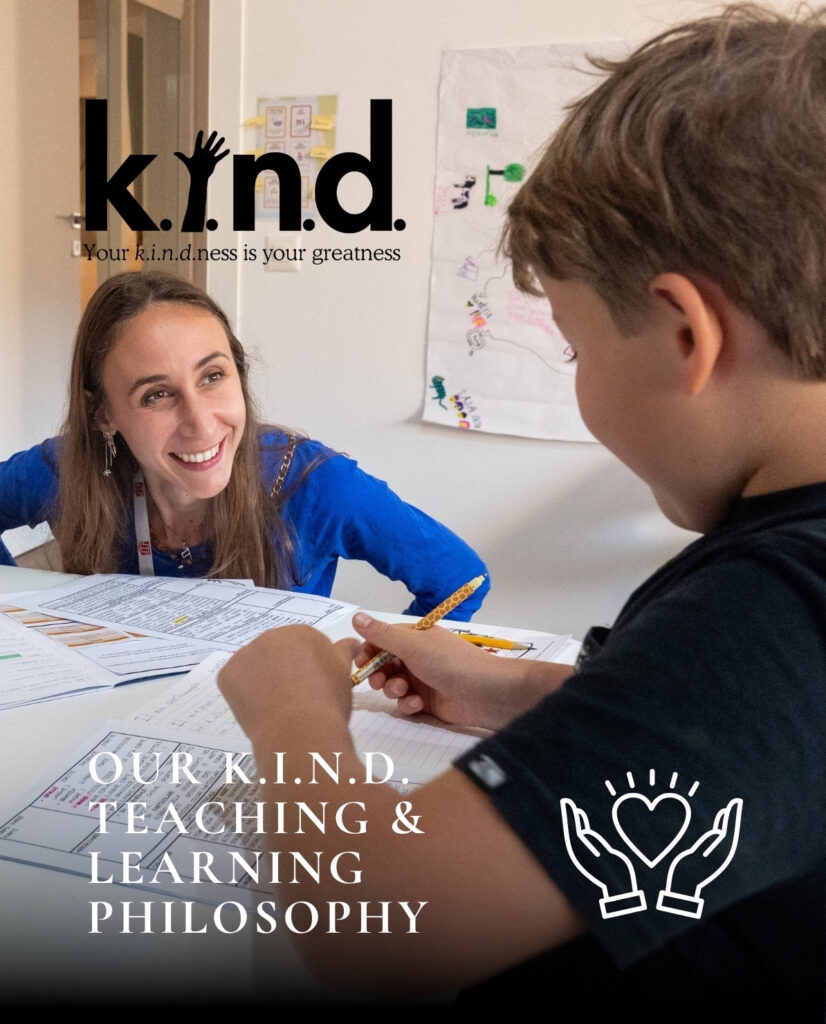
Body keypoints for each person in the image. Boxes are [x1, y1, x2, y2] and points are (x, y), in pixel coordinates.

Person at [217, 4, 826, 1015]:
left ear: (686, 335)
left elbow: (376, 922)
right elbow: (749, 745)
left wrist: (293, 711)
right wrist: (517, 691)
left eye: (576, 348)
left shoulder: (775, 609)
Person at [0, 271, 489, 618]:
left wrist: (382, 670)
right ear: (103, 414)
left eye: (212, 376)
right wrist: (19, 615)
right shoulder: (68, 470)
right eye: (156, 395)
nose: (200, 423)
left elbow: (462, 580)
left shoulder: (314, 486)